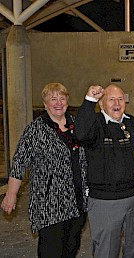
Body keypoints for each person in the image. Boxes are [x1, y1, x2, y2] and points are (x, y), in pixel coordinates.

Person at [1, 82, 88, 258]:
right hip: (50, 204)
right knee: (51, 250)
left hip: (77, 201)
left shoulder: (76, 124)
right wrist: (11, 193)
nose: (58, 102)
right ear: (45, 104)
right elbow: (19, 161)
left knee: (71, 249)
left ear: (67, 101)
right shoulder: (36, 129)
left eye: (62, 98)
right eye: (53, 99)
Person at [74, 84, 134, 258]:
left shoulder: (131, 122)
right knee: (106, 249)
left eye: (120, 99)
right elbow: (80, 134)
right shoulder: (95, 123)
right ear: (102, 104)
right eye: (111, 99)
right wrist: (89, 100)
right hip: (106, 200)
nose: (117, 103)